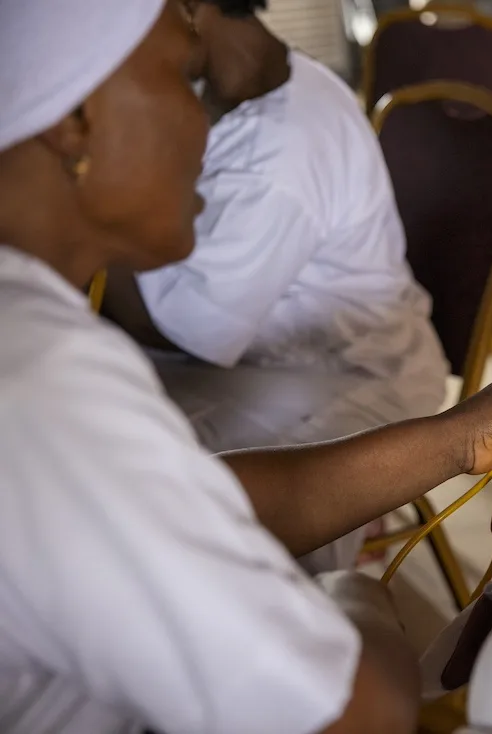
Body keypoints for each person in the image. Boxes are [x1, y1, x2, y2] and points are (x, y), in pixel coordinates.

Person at [0, 3, 492, 732]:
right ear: (75, 119)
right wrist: (355, 600)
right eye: (184, 81)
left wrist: (455, 439)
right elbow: (356, 713)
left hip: (338, 376)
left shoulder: (31, 346)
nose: (207, 123)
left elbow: (192, 494)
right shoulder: (45, 383)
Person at [100, 0, 450, 572]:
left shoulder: (280, 150)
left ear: (190, 9)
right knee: (95, 430)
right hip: (254, 358)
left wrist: (76, 232)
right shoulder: (239, 87)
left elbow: (186, 329)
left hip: (351, 374)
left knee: (180, 496)